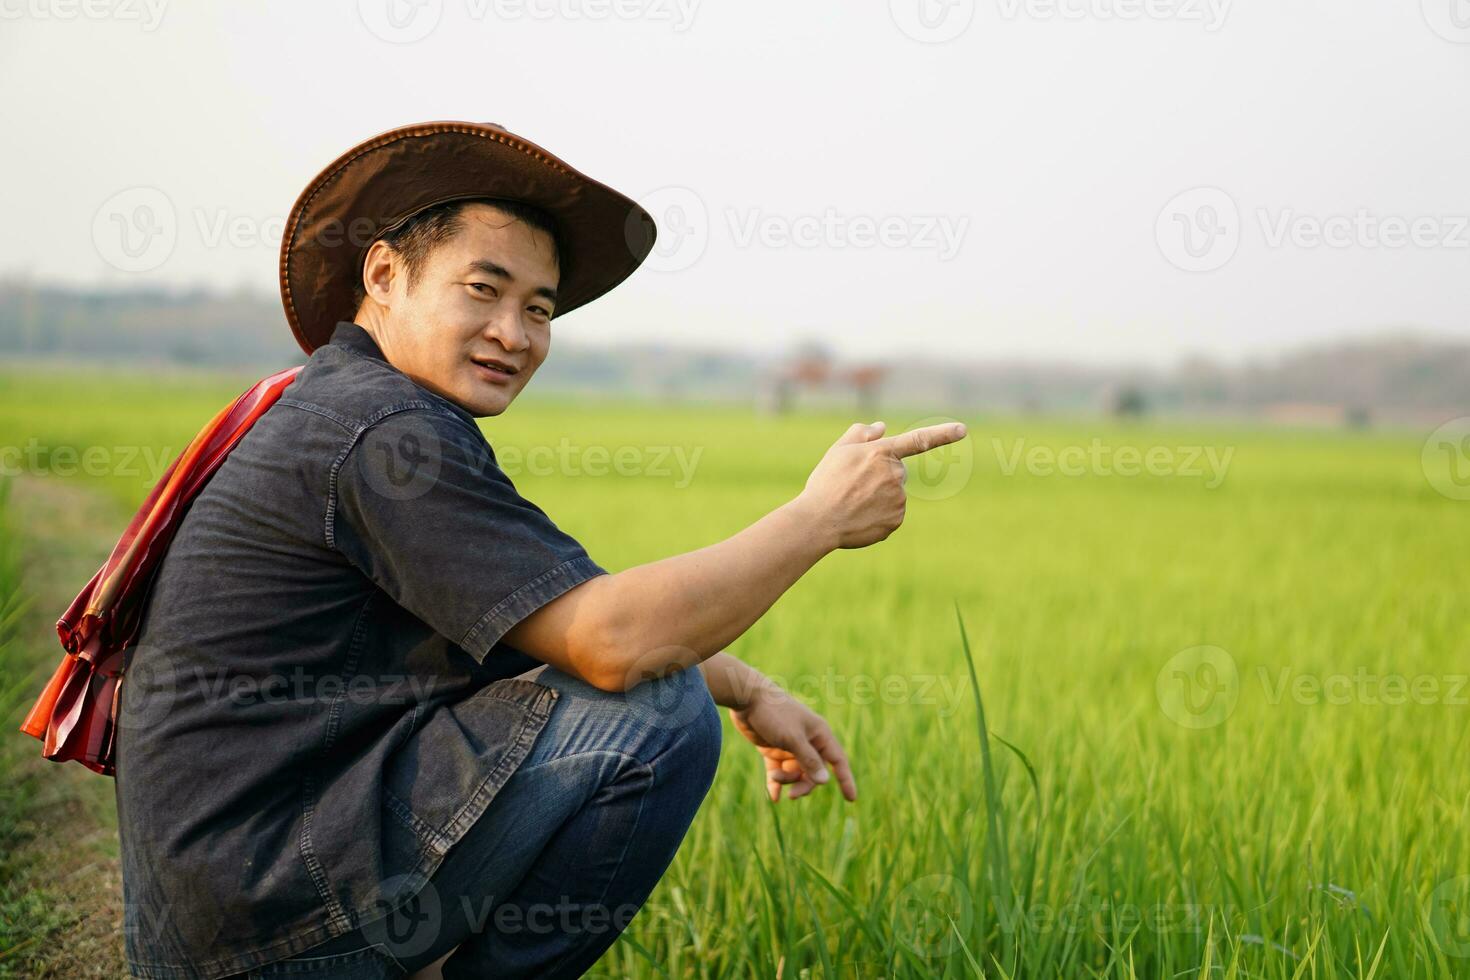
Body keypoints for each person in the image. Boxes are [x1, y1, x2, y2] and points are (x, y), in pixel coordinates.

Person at [113, 121, 967, 980]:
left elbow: (547, 624)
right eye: (482, 290)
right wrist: (817, 519)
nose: (513, 334)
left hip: (225, 909)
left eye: (537, 309)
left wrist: (748, 687)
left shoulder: (350, 405)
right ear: (383, 273)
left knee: (637, 688)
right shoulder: (384, 433)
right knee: (657, 715)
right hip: (261, 927)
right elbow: (612, 642)